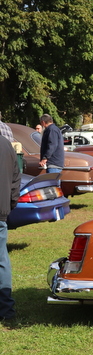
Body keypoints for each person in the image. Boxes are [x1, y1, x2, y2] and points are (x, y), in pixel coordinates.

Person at [0, 135, 21, 323]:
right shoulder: (7, 145)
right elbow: (17, 178)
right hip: (2, 210)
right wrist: (10, 204)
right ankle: (6, 309)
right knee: (1, 259)